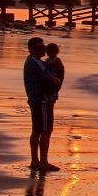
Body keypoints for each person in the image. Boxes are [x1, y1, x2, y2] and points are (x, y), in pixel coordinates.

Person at [23, 37, 61, 172]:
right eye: (39, 48)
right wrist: (56, 79)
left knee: (37, 130)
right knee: (45, 130)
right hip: (42, 100)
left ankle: (35, 161)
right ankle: (43, 162)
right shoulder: (35, 63)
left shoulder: (32, 61)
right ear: (32, 49)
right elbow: (53, 79)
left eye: (43, 47)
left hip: (35, 99)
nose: (43, 49)